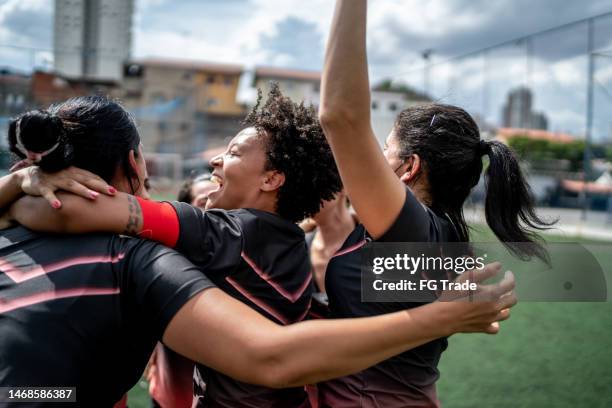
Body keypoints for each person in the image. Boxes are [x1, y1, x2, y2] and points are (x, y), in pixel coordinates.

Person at [0, 95, 515, 407]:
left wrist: (21, 186)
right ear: (135, 163)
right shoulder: (148, 257)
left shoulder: (209, 239)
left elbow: (273, 356)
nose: (218, 161)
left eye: (234, 151)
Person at [315, 2, 553, 407]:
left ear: (409, 167)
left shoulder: (413, 230)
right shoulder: (432, 233)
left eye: (385, 148)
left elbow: (340, 115)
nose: (374, 157)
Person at [147, 174, 217, 408]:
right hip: (171, 390)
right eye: (203, 201)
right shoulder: (166, 257)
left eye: (216, 195)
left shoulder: (238, 253)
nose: (211, 205)